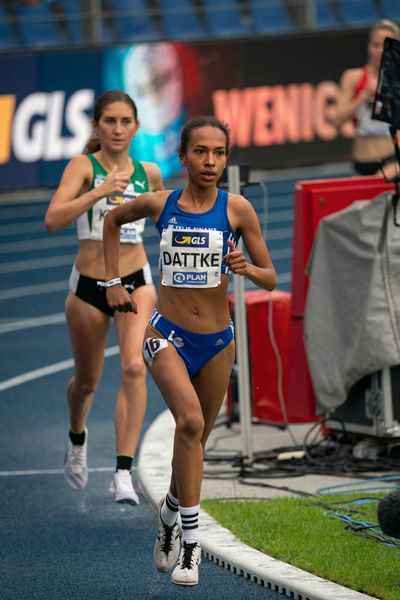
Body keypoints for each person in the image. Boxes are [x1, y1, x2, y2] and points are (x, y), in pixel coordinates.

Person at [102, 115, 278, 586]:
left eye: (219, 153)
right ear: (183, 157)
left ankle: (169, 513)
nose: (210, 161)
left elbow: (271, 276)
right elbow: (113, 219)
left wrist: (245, 266)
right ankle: (192, 546)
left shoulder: (237, 209)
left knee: (193, 444)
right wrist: (113, 281)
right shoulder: (161, 205)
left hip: (218, 341)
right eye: (200, 151)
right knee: (192, 422)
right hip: (166, 335)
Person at [44, 90, 164, 505]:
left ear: (136, 127)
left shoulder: (148, 173)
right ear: (96, 126)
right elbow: (52, 220)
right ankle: (77, 437)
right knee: (87, 382)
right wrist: (100, 191)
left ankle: (123, 473)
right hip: (89, 287)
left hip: (136, 279)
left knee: (134, 366)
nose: (117, 128)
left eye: (125, 121)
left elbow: (166, 225)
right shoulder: (83, 166)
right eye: (109, 121)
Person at [332, 19, 400, 176]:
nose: (380, 51)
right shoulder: (353, 78)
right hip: (361, 163)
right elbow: (337, 119)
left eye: (386, 46)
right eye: (376, 45)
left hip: (392, 162)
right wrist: (362, 96)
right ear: (369, 47)